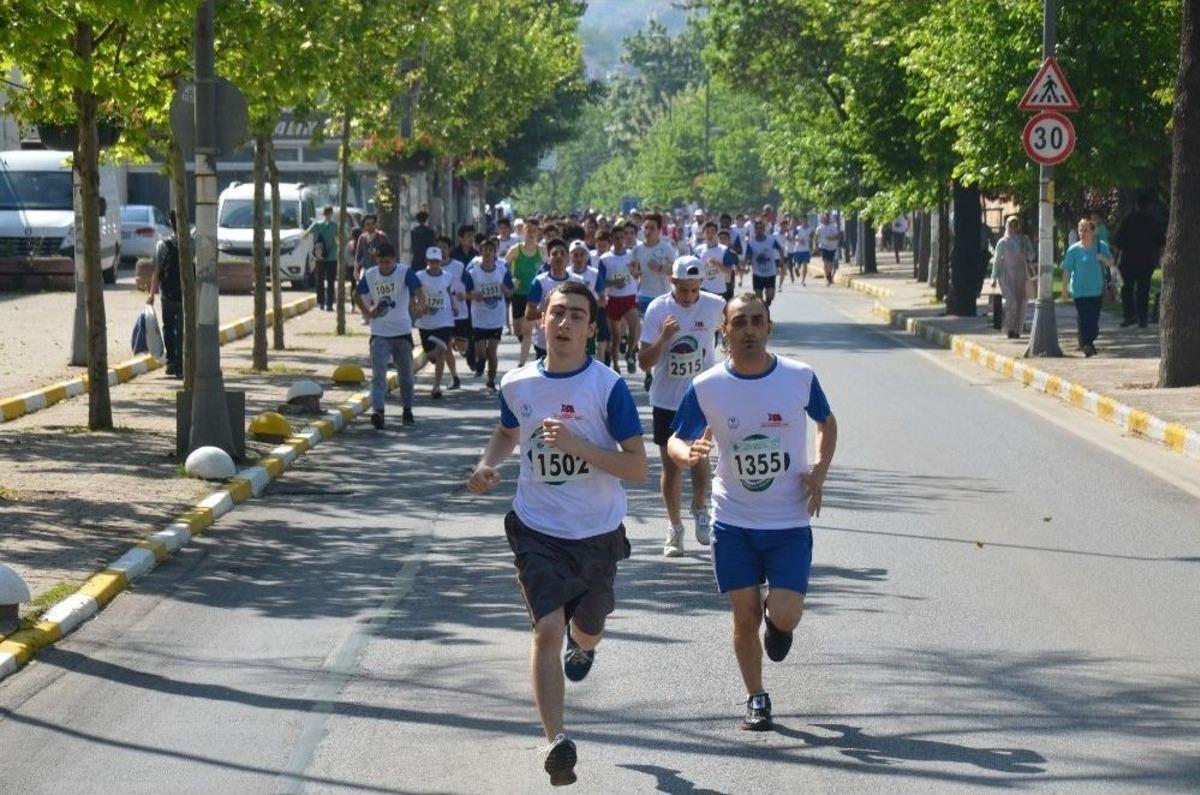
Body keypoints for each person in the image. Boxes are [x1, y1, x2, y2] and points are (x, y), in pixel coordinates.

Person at [468, 280, 647, 787]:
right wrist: (487, 465)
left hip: (596, 534)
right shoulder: (519, 383)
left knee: (584, 628)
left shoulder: (606, 387)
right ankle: (556, 741)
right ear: (539, 320)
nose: (564, 323)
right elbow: (507, 431)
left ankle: (584, 645)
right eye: (556, 313)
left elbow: (637, 468)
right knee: (546, 630)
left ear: (592, 329)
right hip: (536, 529)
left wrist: (576, 444)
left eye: (576, 316)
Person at [667, 292, 837, 732]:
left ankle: (778, 623)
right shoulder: (707, 386)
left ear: (769, 327)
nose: (748, 331)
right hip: (733, 519)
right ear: (724, 331)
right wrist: (688, 453)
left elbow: (826, 421)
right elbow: (675, 437)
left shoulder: (799, 376)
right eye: (738, 323)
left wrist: (818, 470)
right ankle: (756, 697)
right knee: (743, 615)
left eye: (756, 321)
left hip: (788, 520)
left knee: (784, 614)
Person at [639, 256, 726, 557]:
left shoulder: (715, 305)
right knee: (672, 466)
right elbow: (643, 362)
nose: (689, 297)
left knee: (699, 457)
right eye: (683, 289)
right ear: (672, 283)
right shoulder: (658, 309)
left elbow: (732, 332)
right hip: (666, 398)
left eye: (694, 289)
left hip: (702, 396)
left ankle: (700, 507)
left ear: (701, 283)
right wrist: (663, 338)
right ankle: (674, 528)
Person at [355, 242, 424, 428]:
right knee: (379, 375)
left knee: (406, 375)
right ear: (377, 260)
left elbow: (418, 289)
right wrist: (368, 311)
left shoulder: (404, 272)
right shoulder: (370, 275)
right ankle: (378, 412)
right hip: (379, 333)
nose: (384, 265)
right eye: (381, 262)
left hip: (402, 331)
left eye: (388, 262)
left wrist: (420, 304)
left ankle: (407, 409)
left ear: (394, 259)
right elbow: (357, 294)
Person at [464, 238, 513, 391]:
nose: (487, 253)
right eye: (484, 250)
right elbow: (465, 294)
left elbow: (511, 291)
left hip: (496, 317)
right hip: (479, 317)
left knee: (492, 350)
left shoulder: (502, 269)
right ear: (481, 252)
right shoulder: (473, 271)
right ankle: (480, 363)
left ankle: (491, 380)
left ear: (494, 253)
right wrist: (474, 295)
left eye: (490, 250)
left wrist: (506, 290)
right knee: (481, 353)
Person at [1060, 218, 1114, 358]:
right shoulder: (1074, 250)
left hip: (1096, 289)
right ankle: (1087, 345)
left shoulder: (1100, 246)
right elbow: (1067, 270)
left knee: (1094, 319)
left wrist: (1102, 258)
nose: (1083, 233)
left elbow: (1110, 262)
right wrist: (1064, 289)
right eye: (1080, 230)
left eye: (1086, 230)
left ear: (1092, 231)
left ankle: (1089, 342)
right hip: (1079, 291)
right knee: (1084, 318)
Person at [1111, 193, 1165, 328]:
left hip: (1129, 259)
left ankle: (1129, 316)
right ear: (1148, 206)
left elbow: (1118, 240)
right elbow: (1161, 241)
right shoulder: (1153, 221)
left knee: (1127, 289)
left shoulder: (1128, 219)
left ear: (1136, 205)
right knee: (1143, 289)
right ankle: (1142, 318)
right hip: (1147, 260)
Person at [414, 245, 459, 396]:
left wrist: (453, 307)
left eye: (437, 261)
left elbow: (448, 292)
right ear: (426, 261)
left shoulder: (446, 276)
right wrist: (418, 307)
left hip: (444, 319)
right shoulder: (419, 276)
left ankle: (436, 386)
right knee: (431, 356)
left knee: (441, 353)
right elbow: (414, 294)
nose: (434, 265)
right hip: (426, 322)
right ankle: (435, 351)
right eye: (431, 261)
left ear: (441, 261)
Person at [146, 210, 184, 378]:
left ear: (170, 222)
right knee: (182, 329)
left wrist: (152, 294)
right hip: (185, 296)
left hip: (167, 295)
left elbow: (157, 271)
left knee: (168, 328)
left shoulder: (163, 245)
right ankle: (181, 362)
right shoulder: (190, 243)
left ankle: (171, 362)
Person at [601, 222, 641, 374]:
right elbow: (601, 281)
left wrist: (635, 273)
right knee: (616, 336)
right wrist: (613, 282)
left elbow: (637, 274)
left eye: (622, 237)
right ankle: (616, 365)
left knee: (635, 326)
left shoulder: (632, 255)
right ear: (611, 239)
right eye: (616, 238)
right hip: (613, 299)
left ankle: (630, 353)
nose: (619, 240)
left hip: (629, 297)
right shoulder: (605, 258)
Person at [526, 239, 575, 360]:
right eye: (554, 254)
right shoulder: (540, 282)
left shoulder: (576, 282)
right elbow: (529, 314)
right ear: (548, 259)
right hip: (544, 342)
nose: (559, 256)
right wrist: (547, 309)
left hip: (569, 340)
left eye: (563, 253)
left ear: (568, 259)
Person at [506, 216, 545, 367]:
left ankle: (522, 363)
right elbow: (503, 267)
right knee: (518, 329)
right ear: (523, 230)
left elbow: (548, 269)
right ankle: (528, 345)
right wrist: (511, 280)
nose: (531, 233)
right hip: (519, 294)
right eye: (529, 230)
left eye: (534, 231)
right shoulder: (516, 249)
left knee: (528, 330)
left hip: (535, 295)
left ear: (537, 233)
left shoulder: (541, 251)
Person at [990, 216, 1036, 339]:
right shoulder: (1002, 242)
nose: (1013, 228)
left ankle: (1016, 330)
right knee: (1012, 301)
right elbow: (997, 261)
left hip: (1021, 275)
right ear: (1007, 226)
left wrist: (1026, 251)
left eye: (1015, 225)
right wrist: (994, 278)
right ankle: (1009, 327)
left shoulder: (1024, 240)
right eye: (1011, 225)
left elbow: (1032, 256)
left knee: (1022, 303)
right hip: (1006, 276)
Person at [567, 239, 609, 365]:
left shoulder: (594, 273)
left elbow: (603, 299)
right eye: (575, 254)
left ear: (586, 256)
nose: (578, 258)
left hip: (589, 316)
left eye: (581, 254)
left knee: (589, 350)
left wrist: (588, 303)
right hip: (570, 316)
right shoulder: (566, 273)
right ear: (570, 257)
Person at [304, 205, 339, 311]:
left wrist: (316, 241)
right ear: (331, 213)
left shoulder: (317, 224)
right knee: (331, 281)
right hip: (332, 256)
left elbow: (306, 234)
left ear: (323, 213)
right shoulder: (335, 225)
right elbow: (342, 238)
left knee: (319, 280)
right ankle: (329, 304)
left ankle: (321, 303)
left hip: (320, 256)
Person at [743, 219, 785, 307]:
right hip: (757, 274)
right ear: (754, 230)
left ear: (764, 229)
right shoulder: (751, 243)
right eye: (757, 228)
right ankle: (763, 310)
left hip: (770, 273)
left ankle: (766, 305)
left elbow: (780, 249)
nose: (759, 230)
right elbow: (748, 256)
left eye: (761, 228)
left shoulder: (771, 240)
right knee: (758, 298)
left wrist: (781, 260)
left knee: (770, 296)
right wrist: (747, 266)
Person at [695, 221, 735, 298]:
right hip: (703, 290)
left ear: (717, 233)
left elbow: (729, 271)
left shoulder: (724, 250)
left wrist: (717, 263)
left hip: (719, 290)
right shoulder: (698, 250)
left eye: (713, 232)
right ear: (703, 234)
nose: (710, 235)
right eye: (707, 232)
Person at [815, 213, 841, 286]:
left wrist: (832, 238)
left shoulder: (833, 227)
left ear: (829, 219)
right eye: (824, 218)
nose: (825, 219)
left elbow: (838, 236)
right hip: (823, 246)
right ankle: (827, 278)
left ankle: (829, 275)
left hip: (832, 247)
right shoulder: (820, 227)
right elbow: (816, 236)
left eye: (827, 218)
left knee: (830, 263)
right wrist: (815, 245)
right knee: (825, 262)